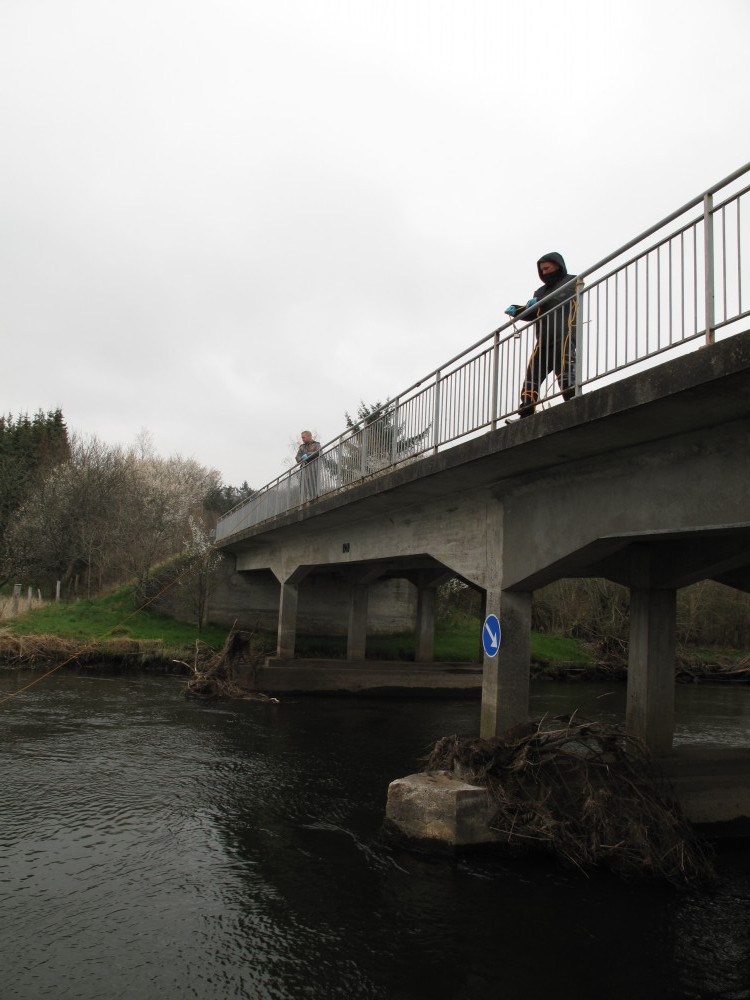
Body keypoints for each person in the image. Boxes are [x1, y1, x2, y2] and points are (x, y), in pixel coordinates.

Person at [505, 252, 578, 418]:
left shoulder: (572, 281)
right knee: (531, 377)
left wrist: (541, 302)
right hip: (543, 341)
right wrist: (517, 310)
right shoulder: (540, 291)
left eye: (547, 268)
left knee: (565, 373)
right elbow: (533, 311)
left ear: (557, 265)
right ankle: (526, 413)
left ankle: (574, 402)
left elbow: (563, 297)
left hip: (563, 336)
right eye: (541, 270)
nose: (544, 272)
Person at [295, 430, 321, 500]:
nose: (302, 439)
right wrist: (301, 459)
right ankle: (303, 503)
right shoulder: (302, 447)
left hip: (313, 469)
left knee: (313, 486)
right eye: (302, 438)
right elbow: (297, 457)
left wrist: (308, 455)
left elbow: (318, 452)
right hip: (304, 470)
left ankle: (314, 501)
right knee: (303, 488)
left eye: (304, 437)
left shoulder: (316, 444)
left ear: (309, 436)